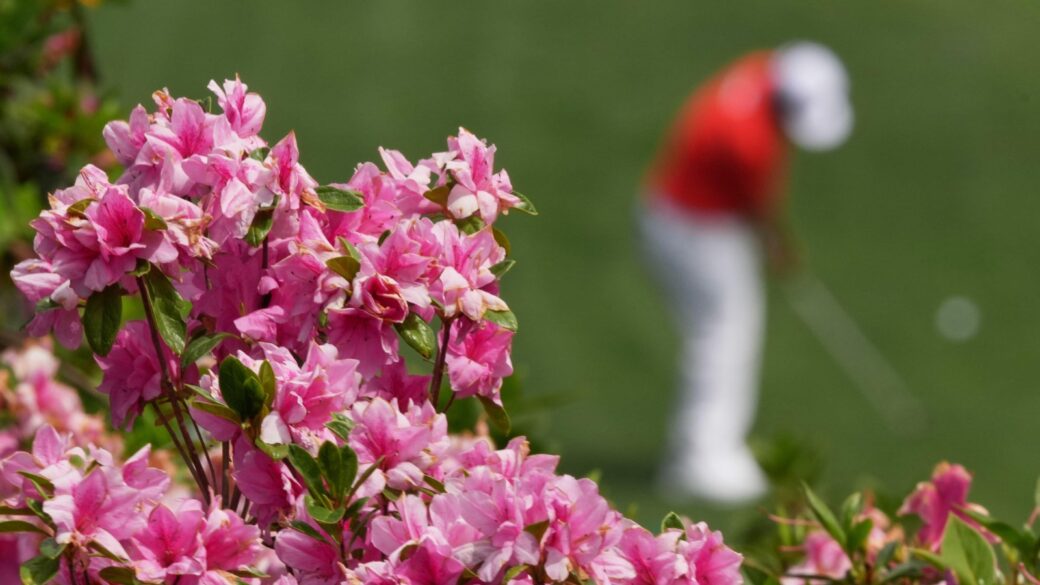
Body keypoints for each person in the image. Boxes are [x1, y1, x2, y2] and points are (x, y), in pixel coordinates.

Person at [640, 41, 853, 504]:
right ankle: (702, 459)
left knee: (721, 332)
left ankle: (710, 449)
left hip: (675, 211)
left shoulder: (760, 70)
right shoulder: (748, 142)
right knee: (723, 334)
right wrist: (779, 247)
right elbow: (758, 208)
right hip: (696, 229)